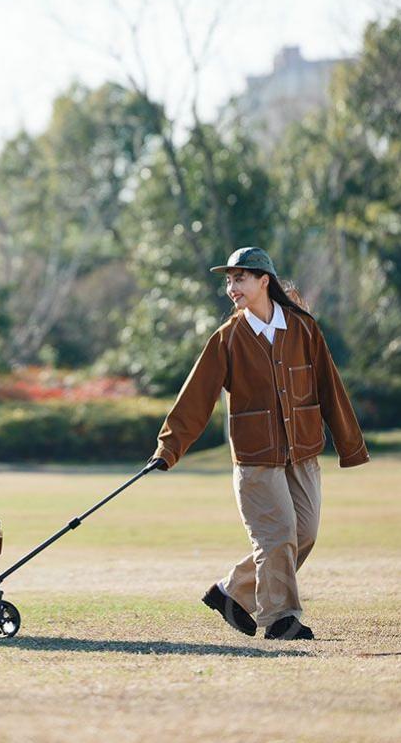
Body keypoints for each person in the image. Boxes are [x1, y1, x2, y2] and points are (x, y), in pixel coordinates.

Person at [146, 247, 369, 641]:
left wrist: (350, 445)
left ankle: (231, 592)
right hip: (255, 460)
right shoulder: (227, 338)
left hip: (301, 452)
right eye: (228, 281)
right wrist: (168, 448)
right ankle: (281, 619)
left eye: (240, 279)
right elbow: (195, 398)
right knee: (278, 535)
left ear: (265, 281)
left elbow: (329, 387)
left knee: (304, 533)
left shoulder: (303, 328)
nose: (232, 288)